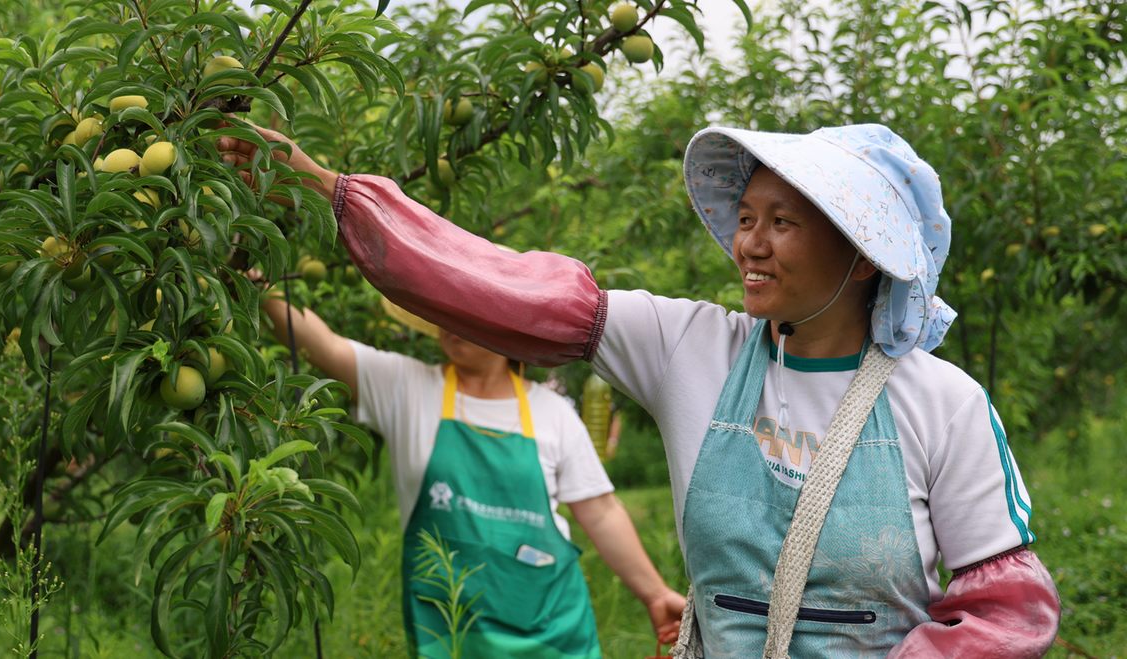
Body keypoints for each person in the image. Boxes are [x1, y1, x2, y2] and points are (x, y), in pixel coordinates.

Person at [219, 121, 1061, 656]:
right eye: (746, 217)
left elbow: (1006, 610)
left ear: (862, 251)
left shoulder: (941, 404)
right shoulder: (692, 346)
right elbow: (495, 285)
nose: (749, 245)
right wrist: (319, 185)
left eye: (783, 222)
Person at [253, 284, 685, 657]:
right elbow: (323, 346)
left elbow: (601, 511)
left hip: (552, 631)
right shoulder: (407, 386)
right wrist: (260, 282)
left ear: (505, 327)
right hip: (450, 627)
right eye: (449, 308)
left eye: (471, 309)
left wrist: (654, 593)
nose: (454, 319)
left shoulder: (551, 412)